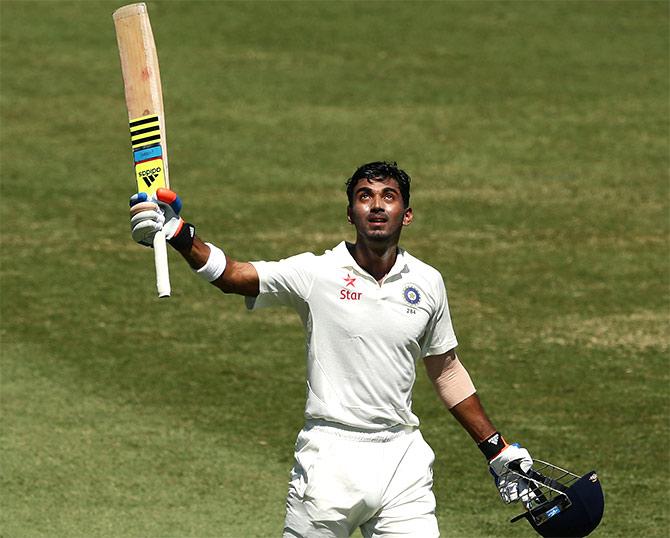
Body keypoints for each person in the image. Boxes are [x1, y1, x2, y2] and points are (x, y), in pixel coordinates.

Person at [129, 161, 534, 537]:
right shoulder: (317, 273)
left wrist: (495, 448)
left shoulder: (428, 282)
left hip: (402, 460)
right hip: (329, 460)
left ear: (406, 214)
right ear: (350, 213)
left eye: (388, 196)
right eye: (364, 196)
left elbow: (445, 370)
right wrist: (181, 235)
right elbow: (234, 275)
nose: (376, 206)